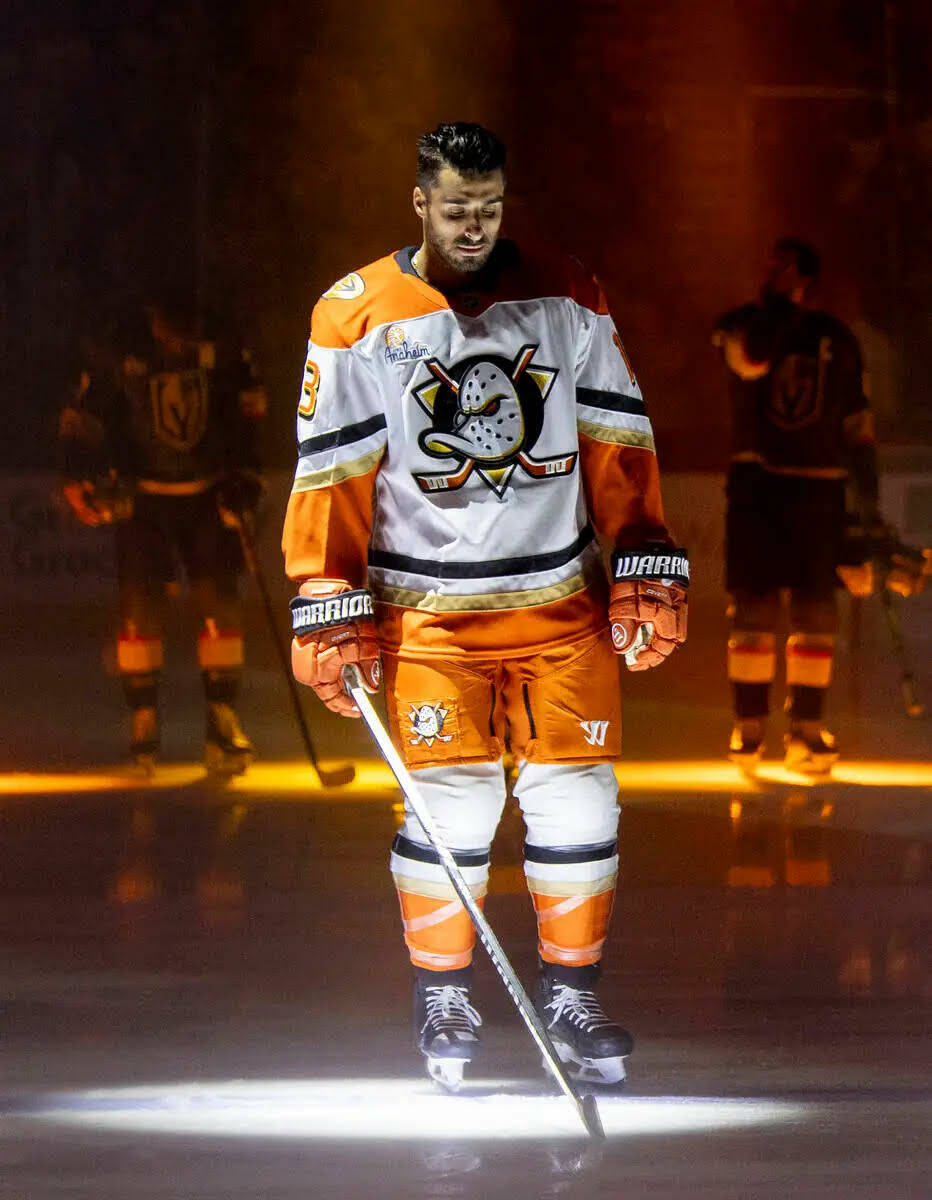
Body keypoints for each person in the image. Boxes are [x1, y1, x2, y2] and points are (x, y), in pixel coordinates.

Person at [282, 122, 688, 1089]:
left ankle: (574, 992)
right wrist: (328, 589)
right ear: (419, 201)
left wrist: (641, 552)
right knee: (453, 805)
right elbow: (330, 465)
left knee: (580, 796)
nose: (476, 224)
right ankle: (444, 994)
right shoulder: (354, 312)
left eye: (491, 205)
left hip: (560, 604)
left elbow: (615, 432)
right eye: (458, 206)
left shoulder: (567, 292)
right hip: (426, 613)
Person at [59, 299, 267, 774]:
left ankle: (222, 720)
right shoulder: (120, 356)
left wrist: (247, 476)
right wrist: (78, 472)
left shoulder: (226, 353)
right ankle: (144, 723)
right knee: (139, 609)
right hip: (144, 500)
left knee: (220, 607)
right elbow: (81, 417)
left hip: (209, 495)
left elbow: (251, 416)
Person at [713, 239, 880, 774]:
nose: (771, 273)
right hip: (758, 484)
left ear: (804, 276)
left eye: (782, 267)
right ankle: (750, 727)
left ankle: (807, 729)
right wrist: (780, 309)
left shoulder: (836, 338)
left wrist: (866, 502)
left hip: (819, 487)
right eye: (769, 264)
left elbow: (858, 425)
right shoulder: (742, 324)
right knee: (754, 610)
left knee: (815, 611)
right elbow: (752, 361)